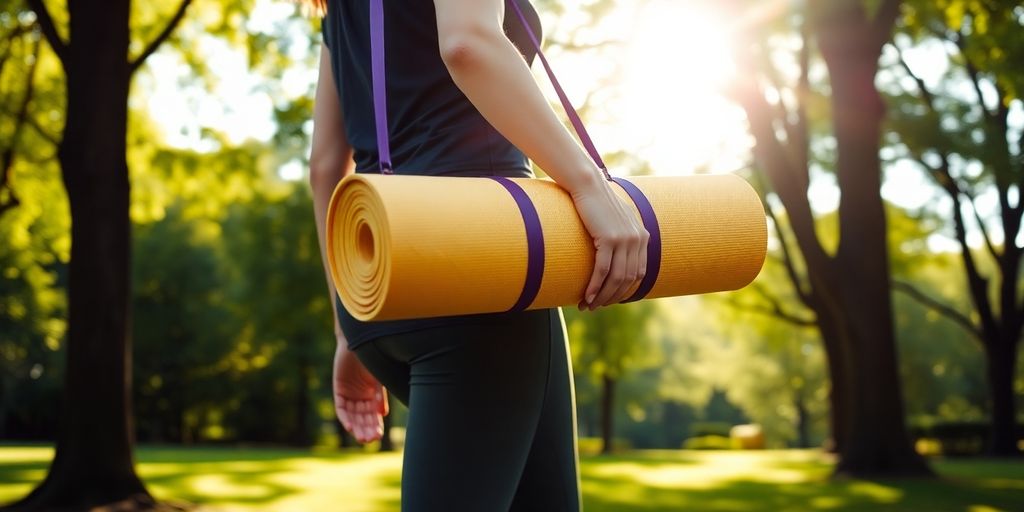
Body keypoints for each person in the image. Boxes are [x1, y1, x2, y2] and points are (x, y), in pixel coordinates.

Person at [307, 0, 648, 509]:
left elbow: (323, 166)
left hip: (377, 282)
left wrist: (345, 324)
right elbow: (468, 44)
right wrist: (589, 185)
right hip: (480, 264)